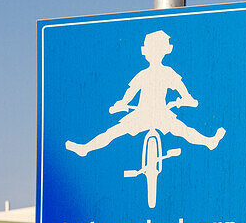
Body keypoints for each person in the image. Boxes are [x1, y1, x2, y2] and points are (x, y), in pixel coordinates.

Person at [65, 30, 224, 157]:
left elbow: (182, 89)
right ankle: (85, 148)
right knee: (112, 133)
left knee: (184, 131)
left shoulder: (166, 72)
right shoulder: (144, 74)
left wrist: (188, 99)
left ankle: (209, 142)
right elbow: (129, 93)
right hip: (144, 114)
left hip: (156, 114)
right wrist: (121, 104)